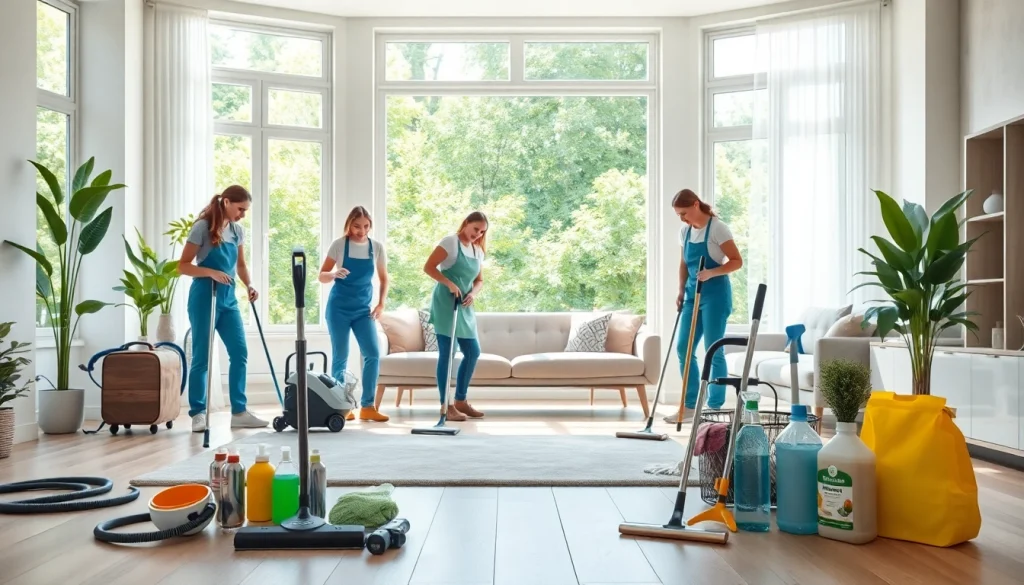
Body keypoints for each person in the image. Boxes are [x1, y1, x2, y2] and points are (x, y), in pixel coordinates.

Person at [178, 185, 268, 433]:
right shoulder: (202, 228)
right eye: (240, 209)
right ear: (226, 202)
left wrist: (249, 284)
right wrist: (210, 272)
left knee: (240, 353)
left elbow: (240, 265)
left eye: (245, 210)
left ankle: (239, 411)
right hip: (204, 296)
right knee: (202, 357)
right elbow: (183, 266)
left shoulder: (238, 231)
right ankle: (198, 413)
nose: (242, 215)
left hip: (228, 300)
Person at [665, 189, 744, 424]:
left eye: (684, 213)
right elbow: (683, 264)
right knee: (683, 348)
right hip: (691, 295)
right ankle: (690, 406)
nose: (682, 218)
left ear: (696, 205)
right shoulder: (685, 231)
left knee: (713, 348)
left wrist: (712, 272)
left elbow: (737, 261)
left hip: (716, 295)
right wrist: (680, 290)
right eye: (679, 215)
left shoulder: (718, 228)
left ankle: (713, 407)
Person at [319, 206, 390, 422]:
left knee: (373, 354)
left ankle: (368, 406)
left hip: (363, 310)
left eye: (366, 226)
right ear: (349, 224)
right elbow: (321, 276)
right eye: (357, 226)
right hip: (338, 309)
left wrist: (380, 304)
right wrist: (333, 274)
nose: (361, 230)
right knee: (340, 356)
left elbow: (384, 278)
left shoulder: (376, 247)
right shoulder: (339, 245)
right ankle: (342, 405)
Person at [423, 211, 488, 421]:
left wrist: (473, 294)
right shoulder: (450, 242)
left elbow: (479, 280)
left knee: (473, 352)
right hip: (446, 302)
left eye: (482, 232)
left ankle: (461, 400)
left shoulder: (478, 250)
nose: (477, 235)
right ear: (466, 223)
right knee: (448, 354)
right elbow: (429, 267)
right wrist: (449, 283)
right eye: (475, 229)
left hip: (465, 304)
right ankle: (446, 405)